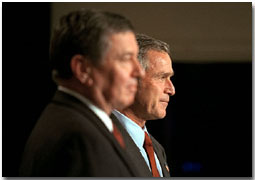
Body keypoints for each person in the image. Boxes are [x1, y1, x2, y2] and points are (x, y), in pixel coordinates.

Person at [19, 9, 144, 177]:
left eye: (136, 58)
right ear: (83, 69)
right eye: (125, 59)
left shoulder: (72, 121)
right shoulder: (78, 138)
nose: (139, 72)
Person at [112, 33, 175, 177]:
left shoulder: (156, 149)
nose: (171, 89)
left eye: (170, 78)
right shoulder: (99, 140)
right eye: (161, 77)